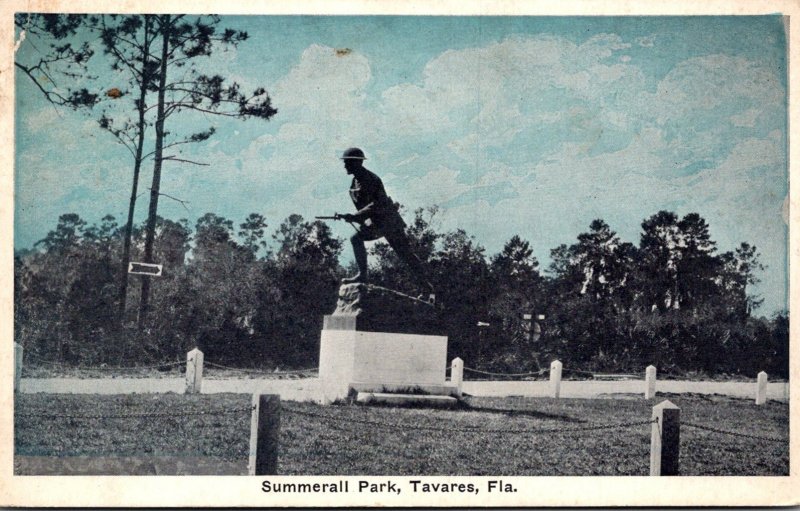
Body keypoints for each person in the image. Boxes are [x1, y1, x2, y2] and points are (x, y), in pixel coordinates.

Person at [337, 147, 435, 300]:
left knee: (405, 254)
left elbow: (375, 204)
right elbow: (363, 206)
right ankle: (362, 275)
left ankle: (427, 288)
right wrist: (355, 218)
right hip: (375, 223)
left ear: (358, 163)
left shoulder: (370, 179)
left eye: (348, 163)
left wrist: (355, 216)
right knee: (356, 238)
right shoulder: (355, 182)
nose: (345, 166)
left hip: (389, 222)